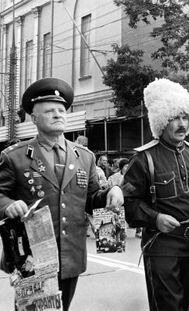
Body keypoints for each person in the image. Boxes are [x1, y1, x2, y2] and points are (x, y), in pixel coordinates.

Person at [0, 77, 124, 311]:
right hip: (32, 256)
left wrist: (112, 193)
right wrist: (7, 204)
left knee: (62, 308)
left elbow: (91, 198)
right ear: (34, 118)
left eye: (61, 110)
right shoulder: (15, 157)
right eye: (49, 111)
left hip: (70, 255)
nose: (58, 114)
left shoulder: (84, 157)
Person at [123, 78, 189, 311]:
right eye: (175, 118)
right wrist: (155, 218)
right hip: (161, 246)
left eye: (185, 117)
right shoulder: (144, 158)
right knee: (168, 307)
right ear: (162, 121)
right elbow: (130, 204)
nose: (182, 124)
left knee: (183, 305)